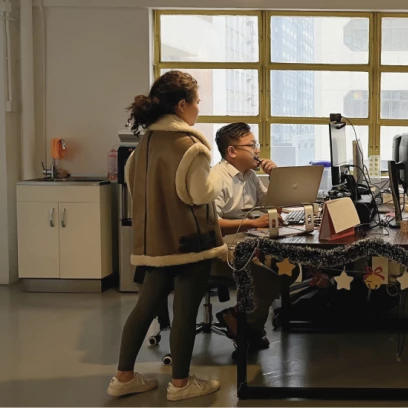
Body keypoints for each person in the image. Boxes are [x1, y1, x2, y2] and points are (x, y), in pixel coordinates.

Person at [107, 71, 223, 401]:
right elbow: (200, 193)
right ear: (182, 105)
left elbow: (137, 191)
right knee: (185, 313)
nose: (199, 108)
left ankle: (123, 377)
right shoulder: (190, 147)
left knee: (144, 309)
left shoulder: (141, 147)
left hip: (154, 246)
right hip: (189, 244)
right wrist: (217, 174)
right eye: (197, 102)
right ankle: (181, 385)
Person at [207, 122, 296, 351]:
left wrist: (276, 178)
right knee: (267, 279)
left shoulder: (250, 176)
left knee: (290, 268)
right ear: (232, 151)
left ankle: (241, 319)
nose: (258, 150)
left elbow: (272, 206)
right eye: (251, 145)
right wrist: (253, 223)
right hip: (221, 245)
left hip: (246, 239)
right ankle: (249, 329)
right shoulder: (216, 179)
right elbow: (211, 224)